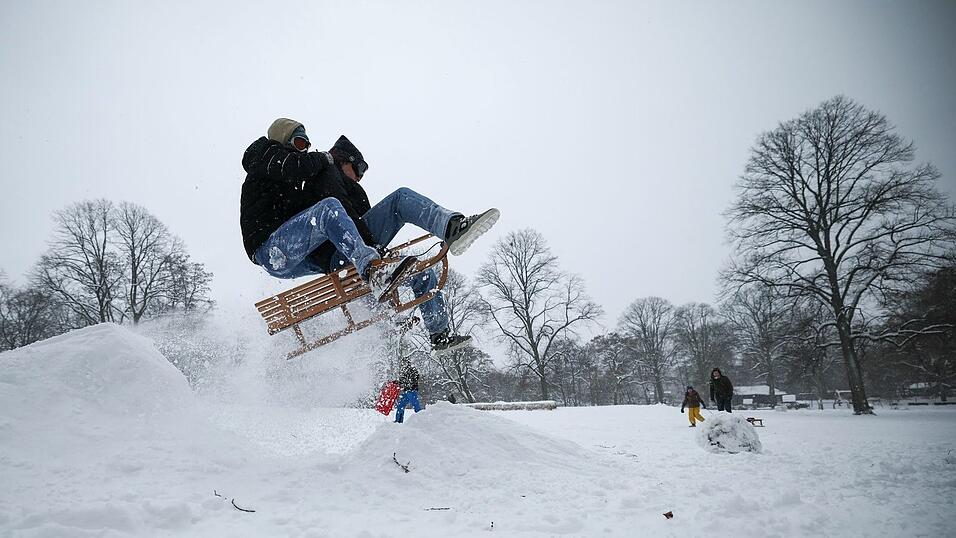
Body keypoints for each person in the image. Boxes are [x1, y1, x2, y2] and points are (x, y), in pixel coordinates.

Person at [240, 118, 499, 353]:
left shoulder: (311, 182)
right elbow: (311, 184)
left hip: (334, 254)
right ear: (344, 160)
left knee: (419, 268)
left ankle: (440, 333)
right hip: (274, 248)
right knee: (335, 208)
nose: (360, 177)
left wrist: (381, 254)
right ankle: (376, 270)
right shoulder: (273, 157)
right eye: (358, 169)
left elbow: (351, 222)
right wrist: (374, 253)